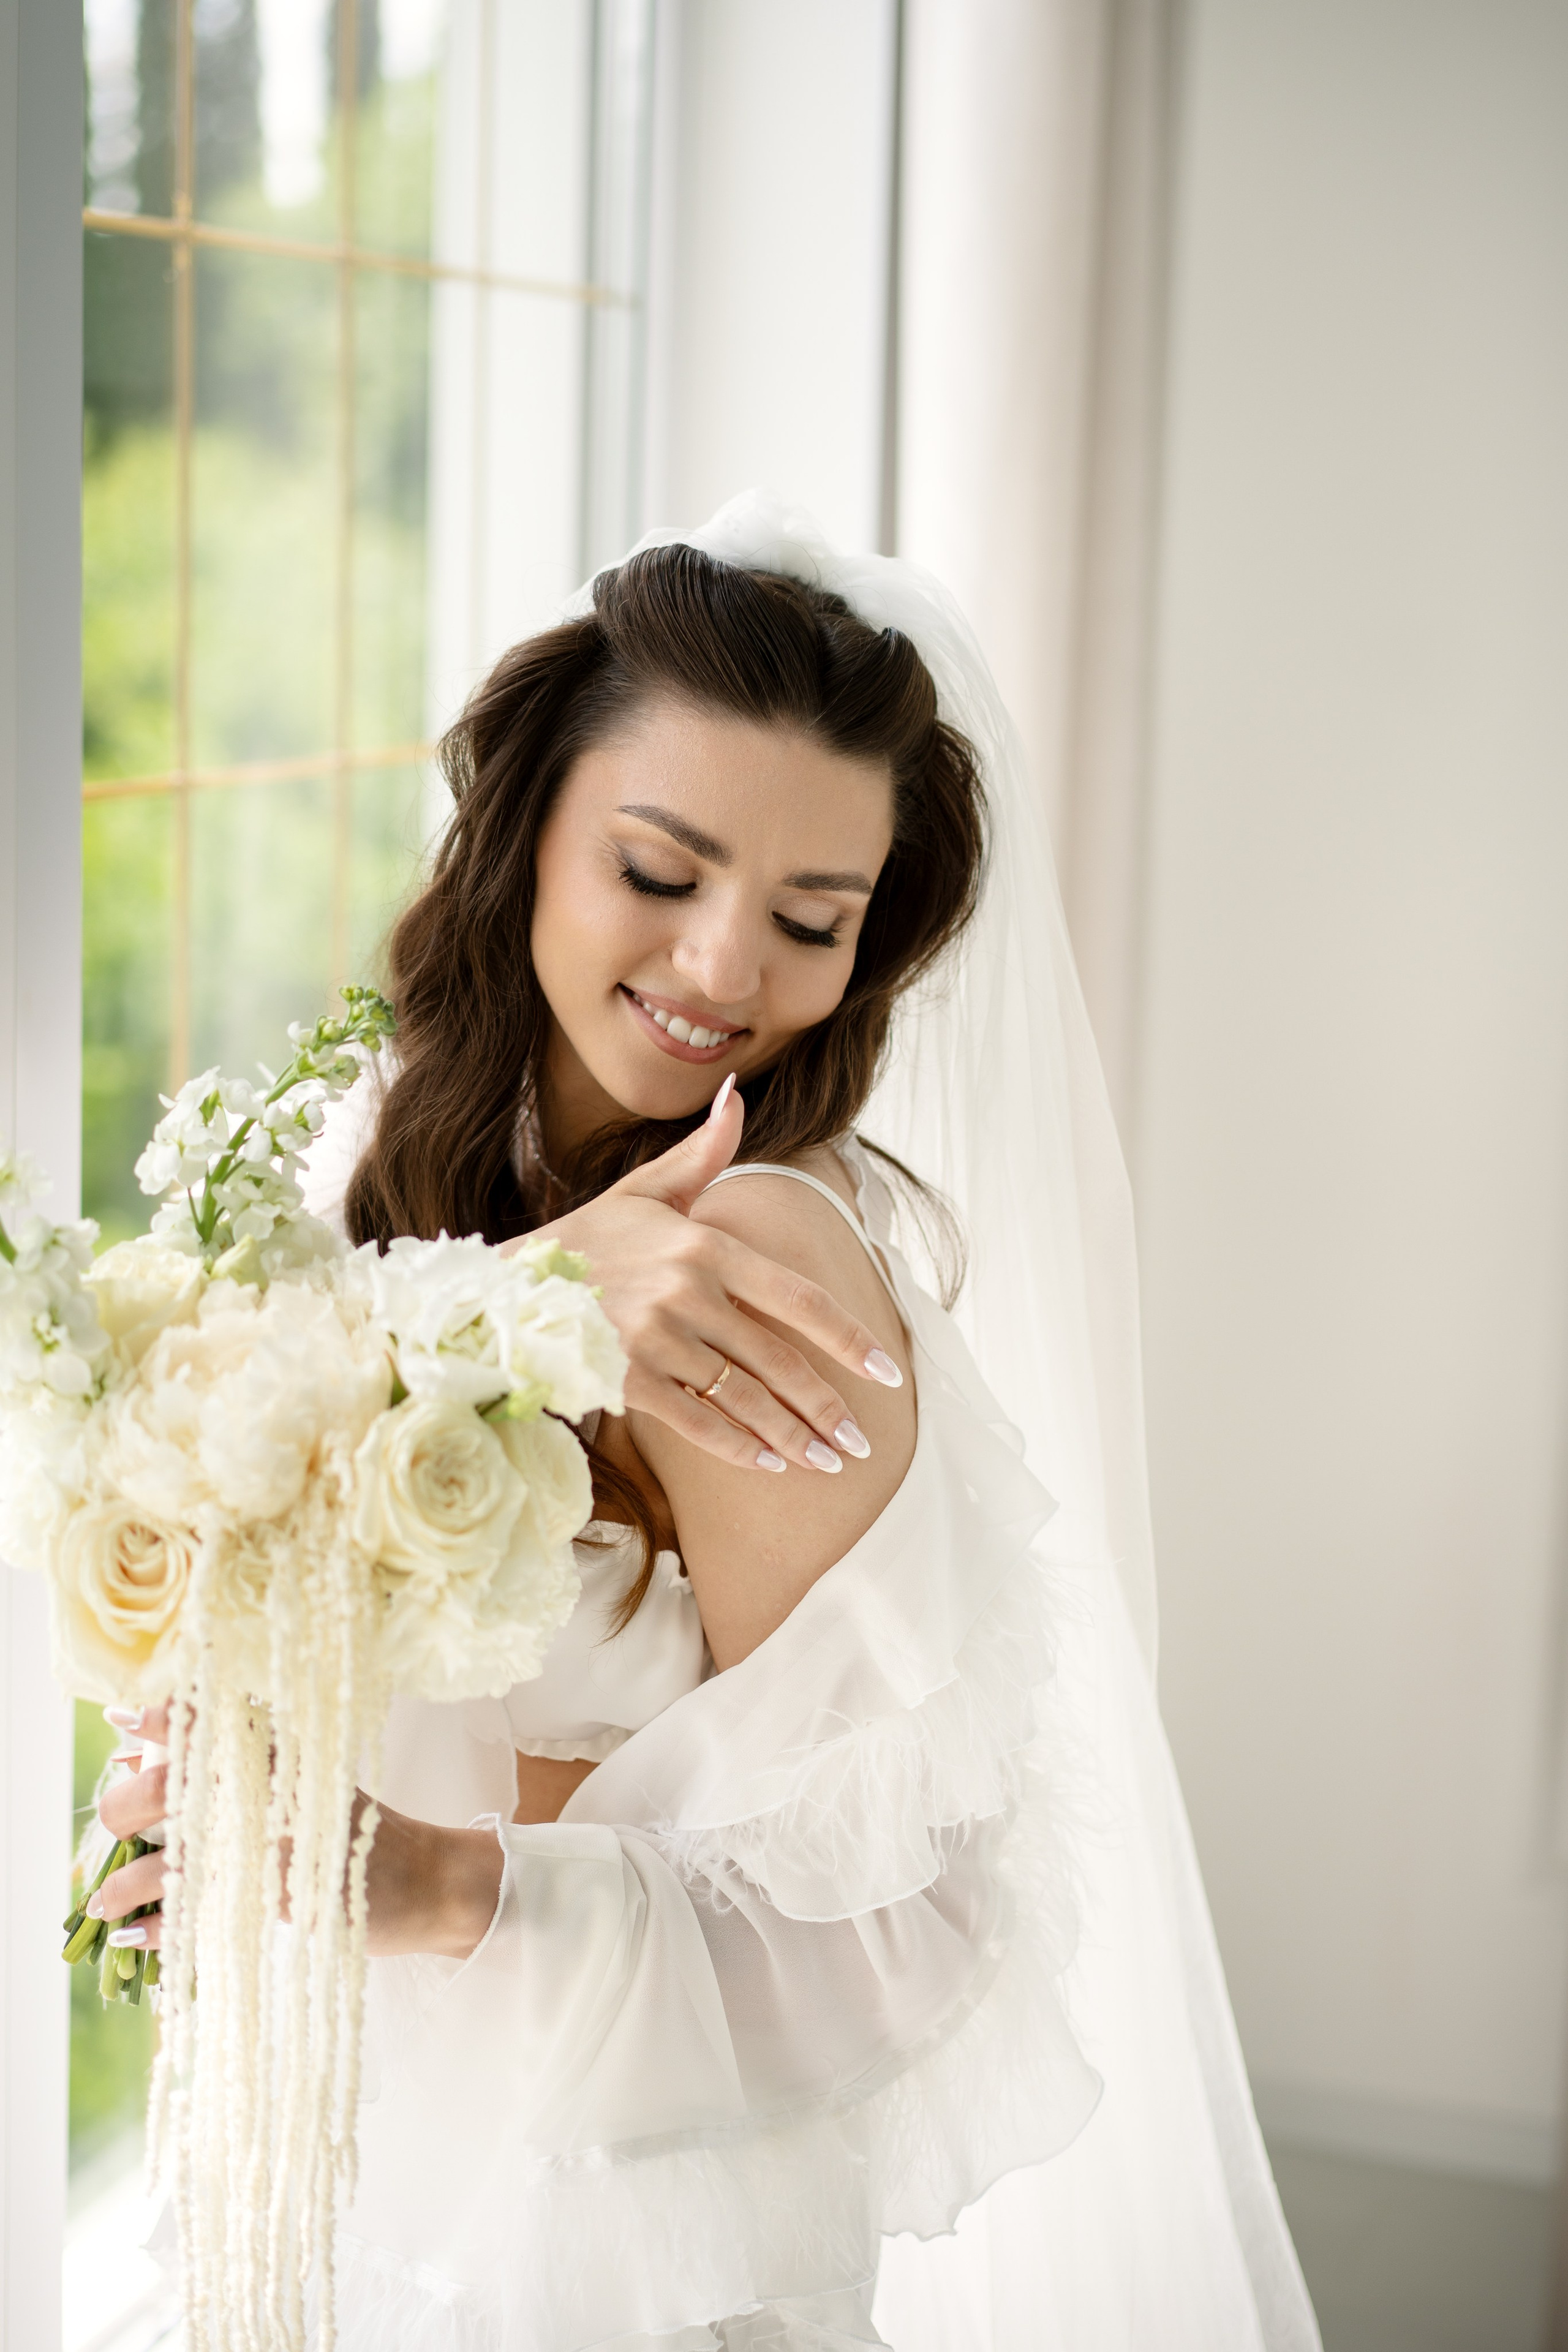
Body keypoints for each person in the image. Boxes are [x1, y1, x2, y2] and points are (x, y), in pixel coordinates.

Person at [95, 496, 1321, 2351]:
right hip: (310, 2175)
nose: (727, 973)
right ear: (527, 830)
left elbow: (904, 1937)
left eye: (812, 920)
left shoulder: (761, 1270)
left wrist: (442, 1882)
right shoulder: (376, 1148)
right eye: (659, 874)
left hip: (600, 2260)